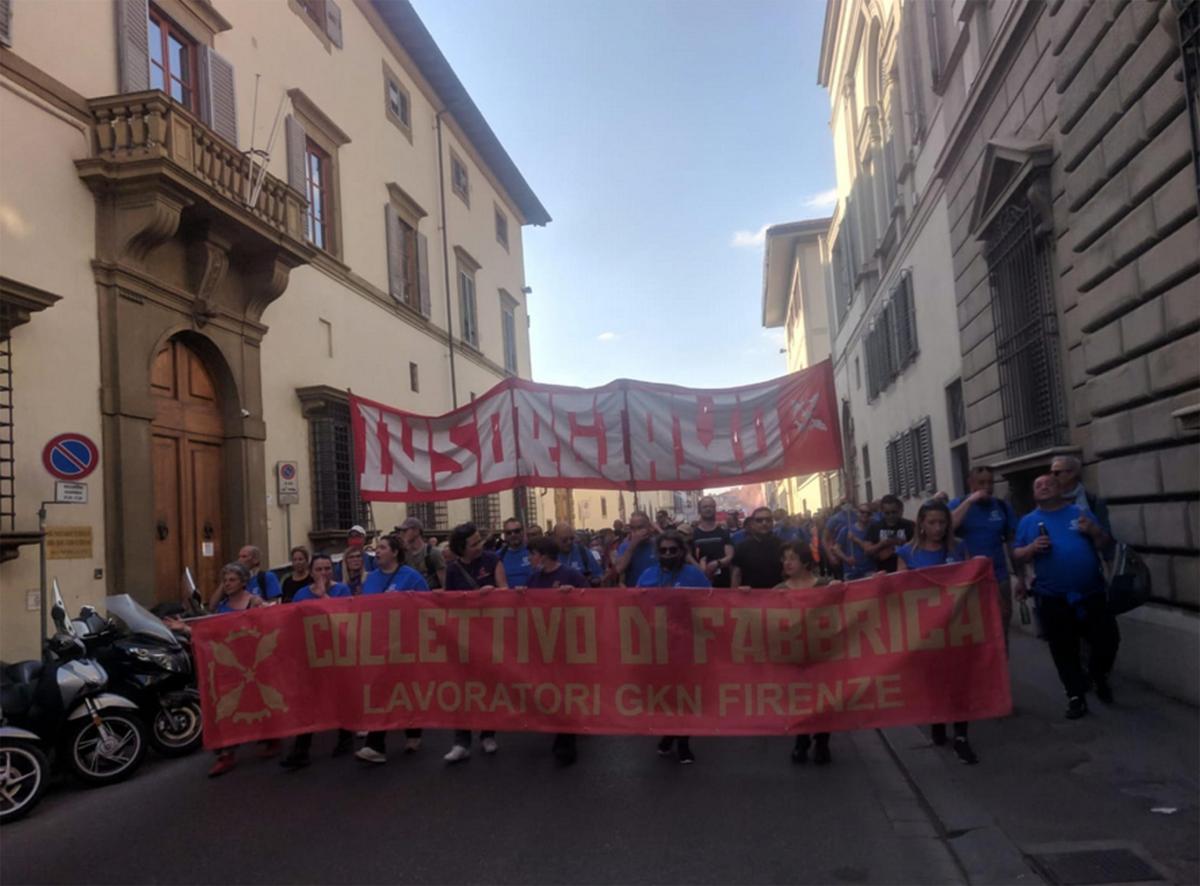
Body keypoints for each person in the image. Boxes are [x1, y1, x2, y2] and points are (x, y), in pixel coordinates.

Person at [1013, 473, 1116, 719]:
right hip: (1052, 596)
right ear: (1034, 493)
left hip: (1091, 592)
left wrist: (1093, 531)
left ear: (1060, 489)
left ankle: (1097, 675)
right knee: (1063, 649)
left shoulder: (1079, 512)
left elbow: (1104, 543)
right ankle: (1075, 695)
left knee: (1108, 640)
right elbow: (1017, 554)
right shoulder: (1029, 521)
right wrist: (1031, 548)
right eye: (1038, 485)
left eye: (1049, 483)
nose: (1044, 487)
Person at [895, 501, 978, 765]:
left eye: (942, 522)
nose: (938, 528)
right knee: (931, 680)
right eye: (932, 522)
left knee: (959, 680)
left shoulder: (958, 546)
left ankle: (962, 737)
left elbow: (970, 582)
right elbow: (900, 589)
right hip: (925, 629)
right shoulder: (907, 552)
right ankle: (938, 722)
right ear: (921, 524)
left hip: (956, 625)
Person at [356, 535, 430, 765]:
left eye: (383, 547)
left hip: (406, 643)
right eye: (376, 548)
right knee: (381, 690)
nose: (377, 551)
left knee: (405, 689)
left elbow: (428, 605)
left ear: (395, 552)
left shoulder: (411, 576)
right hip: (379, 644)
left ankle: (413, 731)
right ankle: (376, 745)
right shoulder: (371, 579)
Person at [637, 531, 710, 765]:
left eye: (673, 550)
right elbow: (633, 603)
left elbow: (713, 601)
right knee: (664, 695)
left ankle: (683, 743)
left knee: (684, 695)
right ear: (657, 553)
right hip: (656, 645)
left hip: (687, 644)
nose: (668, 554)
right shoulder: (647, 575)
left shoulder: (694, 575)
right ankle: (669, 732)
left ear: (681, 552)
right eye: (663, 550)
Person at [281, 554, 353, 769]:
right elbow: (292, 621)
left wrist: (323, 597)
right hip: (310, 653)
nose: (324, 573)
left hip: (336, 652)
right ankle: (301, 750)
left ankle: (345, 738)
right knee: (307, 700)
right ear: (311, 572)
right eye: (319, 569)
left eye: (328, 568)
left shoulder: (341, 590)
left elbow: (345, 617)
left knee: (339, 695)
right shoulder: (302, 594)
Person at [443, 522, 507, 762]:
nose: (480, 546)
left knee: (487, 686)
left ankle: (487, 734)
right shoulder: (452, 569)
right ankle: (461, 741)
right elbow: (449, 603)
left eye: (480, 541)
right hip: (463, 636)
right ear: (461, 548)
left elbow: (506, 591)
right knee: (461, 687)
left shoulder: (492, 560)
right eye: (474, 544)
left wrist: (494, 593)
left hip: (490, 634)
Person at [949, 466, 1021, 648]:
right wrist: (969, 502)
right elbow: (945, 528)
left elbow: (1011, 543)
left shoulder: (1002, 507)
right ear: (970, 483)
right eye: (981, 483)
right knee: (974, 632)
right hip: (968, 582)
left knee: (1001, 630)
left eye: (990, 482)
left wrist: (1021, 577)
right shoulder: (957, 505)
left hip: (999, 577)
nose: (987, 487)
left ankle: (1001, 671)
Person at [776, 542, 834, 764]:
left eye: (793, 558)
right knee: (800, 699)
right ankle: (801, 739)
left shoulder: (824, 585)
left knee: (824, 699)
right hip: (795, 656)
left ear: (805, 562)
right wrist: (746, 596)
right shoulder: (779, 591)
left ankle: (822, 741)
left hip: (823, 653)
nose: (787, 562)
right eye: (784, 558)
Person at [206, 563, 266, 777]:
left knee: (257, 702)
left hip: (251, 663)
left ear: (243, 582)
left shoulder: (254, 601)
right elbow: (210, 615)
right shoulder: (222, 604)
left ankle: (270, 737)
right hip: (228, 663)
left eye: (232, 580)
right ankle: (226, 754)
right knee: (227, 707)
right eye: (225, 580)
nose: (227, 584)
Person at [1051, 455, 1112, 535]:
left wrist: (1093, 530)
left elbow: (1106, 537)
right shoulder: (1048, 502)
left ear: (1072, 474)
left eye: (1056, 473)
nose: (1052, 477)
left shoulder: (1093, 502)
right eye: (1051, 473)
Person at [730, 507, 785, 588]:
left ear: (772, 522)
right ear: (752, 524)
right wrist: (734, 597)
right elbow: (736, 575)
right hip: (750, 597)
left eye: (768, 519)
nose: (764, 523)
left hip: (777, 596)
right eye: (759, 520)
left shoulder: (783, 546)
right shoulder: (742, 547)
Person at [863, 495, 916, 573]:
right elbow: (867, 550)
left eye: (894, 512)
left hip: (907, 571)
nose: (891, 516)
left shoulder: (910, 525)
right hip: (883, 573)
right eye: (887, 513)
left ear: (900, 510)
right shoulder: (874, 527)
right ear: (882, 511)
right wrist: (882, 544)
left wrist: (902, 544)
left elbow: (920, 546)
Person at [692, 495, 734, 588]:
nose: (708, 509)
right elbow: (689, 557)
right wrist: (700, 568)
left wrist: (717, 563)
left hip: (723, 582)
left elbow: (730, 556)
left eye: (711, 506)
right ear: (699, 510)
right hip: (701, 582)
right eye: (705, 507)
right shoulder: (693, 534)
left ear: (715, 509)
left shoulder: (723, 532)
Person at [399, 517, 446, 589]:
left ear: (416, 531)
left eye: (405, 531)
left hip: (429, 596)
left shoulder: (433, 553)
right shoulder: (404, 555)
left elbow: (444, 585)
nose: (402, 534)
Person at [832, 503, 876, 581]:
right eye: (862, 512)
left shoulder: (873, 529)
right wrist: (847, 559)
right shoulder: (846, 529)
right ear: (857, 513)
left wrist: (855, 539)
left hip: (869, 570)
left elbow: (869, 549)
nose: (865, 515)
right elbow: (836, 548)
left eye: (868, 513)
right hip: (851, 571)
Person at [612, 511, 658, 585]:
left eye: (640, 527)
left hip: (657, 590)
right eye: (633, 528)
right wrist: (632, 545)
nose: (636, 532)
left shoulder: (658, 544)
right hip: (635, 592)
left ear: (649, 527)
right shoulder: (625, 546)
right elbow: (619, 569)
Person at [553, 521, 604, 586]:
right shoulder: (548, 554)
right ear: (555, 538)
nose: (569, 542)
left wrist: (591, 580)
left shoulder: (583, 551)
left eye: (572, 538)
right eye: (564, 540)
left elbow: (599, 575)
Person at [497, 517, 534, 587]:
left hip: (531, 596)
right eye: (509, 532)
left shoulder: (533, 552)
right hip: (508, 596)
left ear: (523, 532)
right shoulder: (498, 556)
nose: (513, 535)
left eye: (516, 531)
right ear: (504, 535)